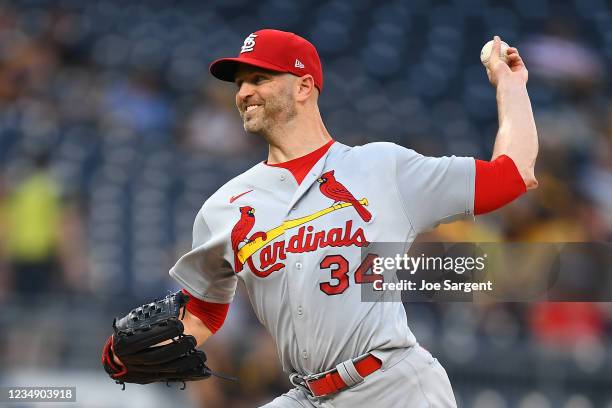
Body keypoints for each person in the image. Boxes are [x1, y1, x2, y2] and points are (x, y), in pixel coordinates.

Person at [105, 29, 538, 407]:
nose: (243, 93)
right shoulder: (225, 206)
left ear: (303, 86)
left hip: (392, 386)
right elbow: (203, 310)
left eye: (259, 78)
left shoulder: (381, 167)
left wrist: (510, 84)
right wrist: (137, 351)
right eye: (239, 83)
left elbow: (511, 176)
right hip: (308, 395)